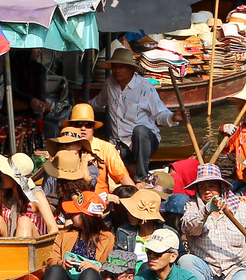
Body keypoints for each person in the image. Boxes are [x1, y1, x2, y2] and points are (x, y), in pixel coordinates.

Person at [90, 44, 180, 180]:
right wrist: (83, 107)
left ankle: (141, 176)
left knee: (140, 131)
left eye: (121, 67)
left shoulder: (145, 87)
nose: (117, 71)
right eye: (114, 67)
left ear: (131, 68)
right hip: (120, 144)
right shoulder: (109, 84)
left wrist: (174, 116)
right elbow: (98, 102)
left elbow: (160, 114)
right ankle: (132, 169)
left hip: (145, 142)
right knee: (101, 156)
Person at [39, 192, 117, 280]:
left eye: (75, 212)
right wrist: (61, 263)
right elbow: (51, 260)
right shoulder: (65, 234)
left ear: (85, 216)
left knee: (89, 274)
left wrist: (96, 268)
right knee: (55, 270)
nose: (71, 215)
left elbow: (112, 270)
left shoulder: (108, 238)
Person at [56, 103, 134, 189]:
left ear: (93, 129)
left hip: (100, 200)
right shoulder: (61, 147)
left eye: (88, 125)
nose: (83, 128)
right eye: (78, 124)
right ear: (71, 126)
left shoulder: (106, 148)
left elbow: (124, 179)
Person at [112, 186, 168, 260]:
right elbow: (117, 259)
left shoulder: (166, 233)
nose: (128, 213)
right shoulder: (123, 231)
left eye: (132, 211)